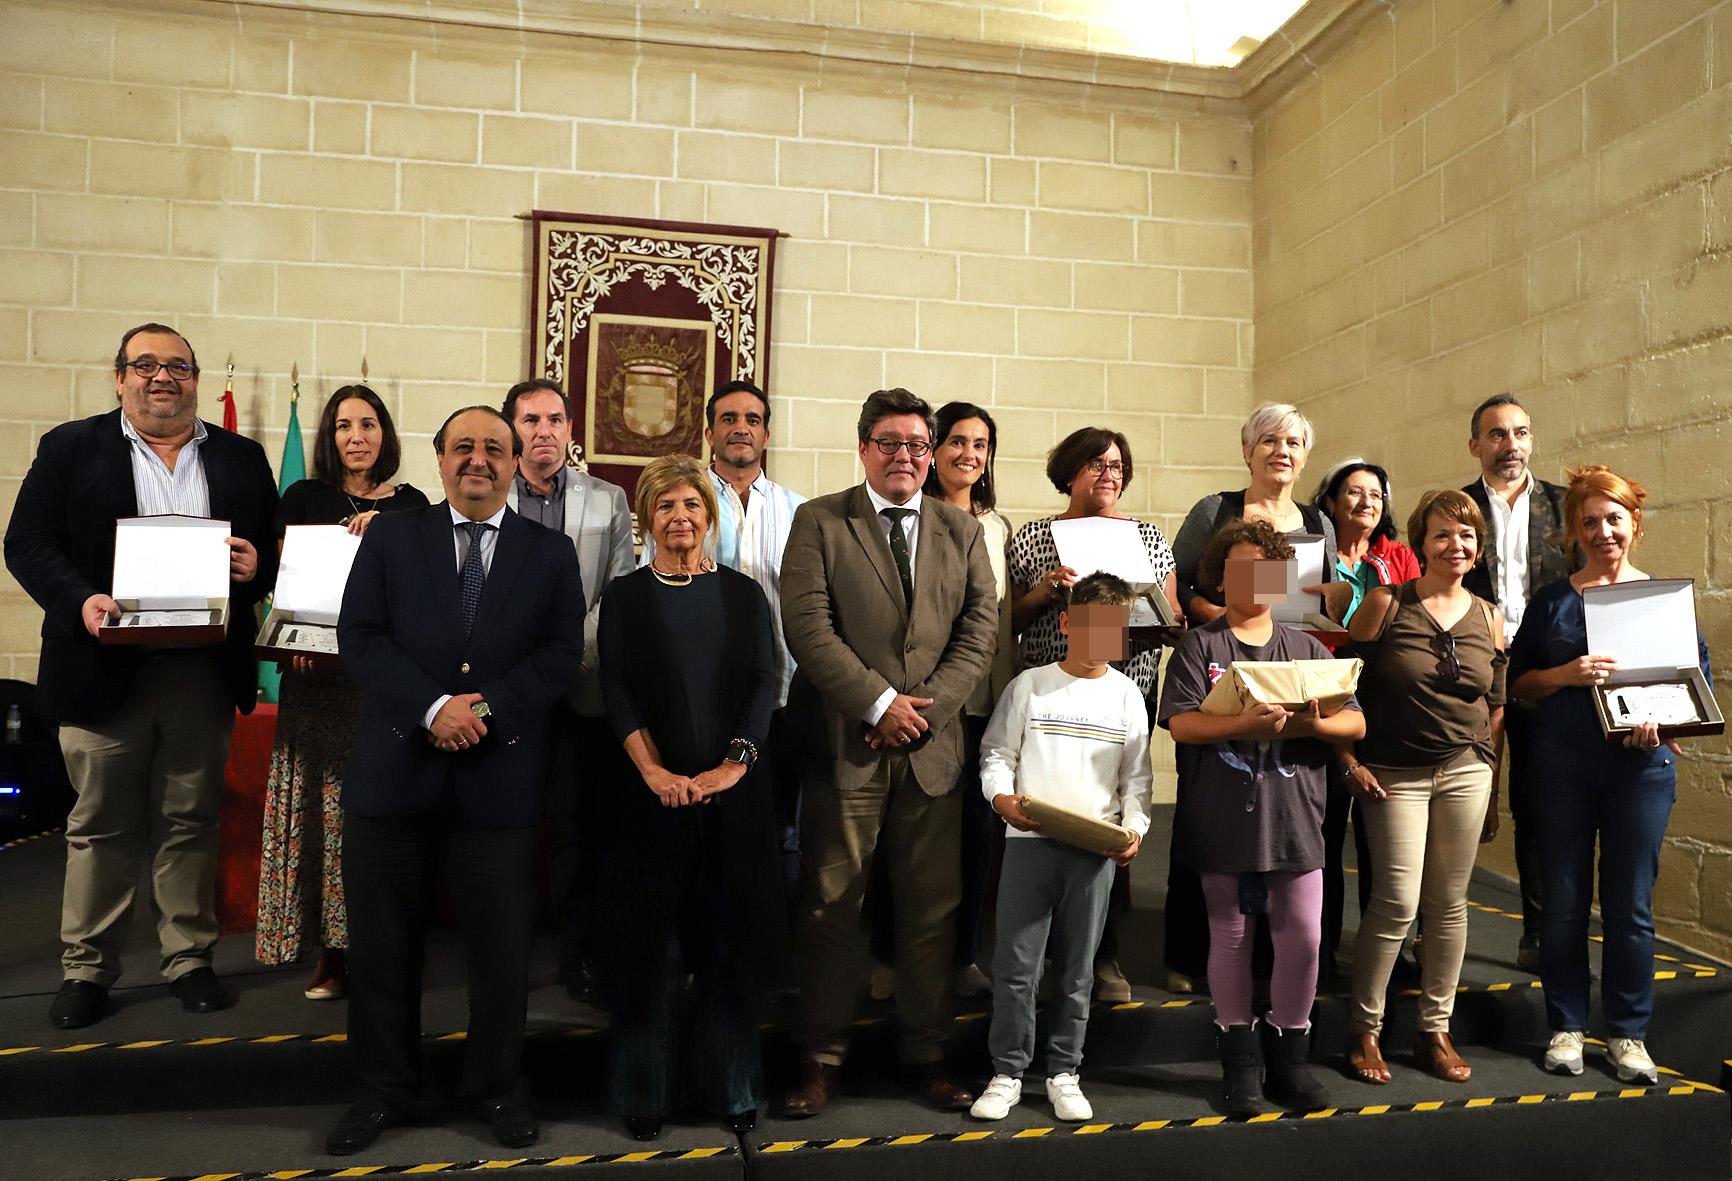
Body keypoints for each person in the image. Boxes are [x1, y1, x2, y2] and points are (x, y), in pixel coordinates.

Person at [325, 406, 584, 1156]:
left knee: (502, 952)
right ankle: (381, 1089)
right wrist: (434, 707)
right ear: (438, 459)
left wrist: (487, 708)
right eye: (463, 446)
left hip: (497, 779)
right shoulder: (392, 537)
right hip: (395, 771)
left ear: (516, 463)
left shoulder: (550, 552)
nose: (479, 458)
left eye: (494, 448)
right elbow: (360, 637)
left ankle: (497, 1084)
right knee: (381, 950)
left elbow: (561, 654)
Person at [4, 323, 278, 1030]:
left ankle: (188, 958)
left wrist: (257, 572)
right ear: (119, 375)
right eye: (146, 365)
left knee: (190, 821)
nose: (164, 377)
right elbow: (26, 543)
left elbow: (270, 556)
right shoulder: (71, 448)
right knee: (100, 825)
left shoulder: (243, 458)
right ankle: (87, 968)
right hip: (101, 668)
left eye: (178, 366)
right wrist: (80, 600)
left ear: (195, 378)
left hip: (201, 673)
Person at [776, 387, 998, 1118]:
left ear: (929, 454)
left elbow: (979, 628)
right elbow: (808, 629)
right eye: (889, 442)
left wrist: (923, 712)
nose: (904, 455)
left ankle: (928, 1054)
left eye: (916, 444)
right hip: (850, 745)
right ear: (864, 447)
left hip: (933, 748)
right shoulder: (819, 520)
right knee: (832, 906)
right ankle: (820, 1057)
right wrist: (879, 703)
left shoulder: (960, 529)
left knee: (932, 910)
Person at [595, 454, 785, 1140]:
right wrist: (652, 771)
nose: (681, 517)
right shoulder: (625, 595)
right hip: (650, 801)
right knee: (657, 953)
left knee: (726, 948)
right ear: (647, 517)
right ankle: (643, 1092)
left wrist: (735, 764)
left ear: (710, 515)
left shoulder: (744, 593)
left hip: (733, 804)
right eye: (667, 505)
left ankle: (731, 1087)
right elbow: (615, 689)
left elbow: (766, 681)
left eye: (693, 505)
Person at [1509, 466, 1709, 1086]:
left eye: (1613, 519)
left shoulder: (1664, 601)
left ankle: (1628, 1034)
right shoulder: (1553, 601)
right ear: (1575, 529)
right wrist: (1565, 675)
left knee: (1630, 908)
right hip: (1563, 770)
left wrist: (1665, 726)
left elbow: (1692, 682)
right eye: (1590, 521)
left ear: (1634, 524)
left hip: (1641, 772)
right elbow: (1519, 685)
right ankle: (1567, 1026)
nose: (1603, 532)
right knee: (1564, 906)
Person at [1159, 520, 1364, 1116]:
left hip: (1295, 815)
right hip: (1222, 815)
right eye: (1241, 568)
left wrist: (1314, 725)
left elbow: (1355, 721)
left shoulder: (1306, 647)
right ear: (1221, 577)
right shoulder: (1202, 646)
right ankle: (1240, 1063)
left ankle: (1290, 1057)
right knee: (1231, 934)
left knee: (1302, 935)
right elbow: (1181, 723)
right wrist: (1243, 725)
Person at [257, 385, 428, 1002]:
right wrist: (293, 632)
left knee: (375, 818)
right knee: (322, 818)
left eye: (369, 424)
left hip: (383, 687)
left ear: (386, 433)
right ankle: (328, 954)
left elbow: (426, 590)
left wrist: (389, 533)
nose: (357, 436)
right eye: (344, 426)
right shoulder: (304, 498)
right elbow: (284, 581)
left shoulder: (413, 507)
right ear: (328, 437)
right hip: (318, 682)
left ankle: (380, 949)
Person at [1165, 403, 1336, 993]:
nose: (1280, 451)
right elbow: (1179, 580)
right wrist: (1222, 616)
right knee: (1212, 813)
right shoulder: (1216, 510)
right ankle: (1190, 957)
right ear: (1247, 451)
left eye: (1292, 442)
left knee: (1292, 820)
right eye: (1268, 441)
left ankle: (1279, 969)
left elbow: (1319, 596)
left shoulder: (1316, 519)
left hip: (1293, 667)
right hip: (1222, 662)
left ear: (1304, 456)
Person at [969, 573, 1152, 1124]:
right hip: (1030, 843)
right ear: (1069, 623)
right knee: (1016, 965)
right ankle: (1006, 1071)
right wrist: (1002, 801)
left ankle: (1064, 1071)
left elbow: (1136, 782)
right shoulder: (1030, 685)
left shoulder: (1126, 695)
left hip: (1094, 851)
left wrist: (1135, 829)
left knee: (1077, 970)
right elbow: (996, 755)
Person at [1338, 489, 1506, 1086]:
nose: (1454, 545)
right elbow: (1340, 683)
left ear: (1478, 546)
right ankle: (1365, 1029)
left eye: (1465, 535)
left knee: (1449, 904)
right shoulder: (1386, 602)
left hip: (1467, 770)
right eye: (1441, 534)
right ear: (1420, 542)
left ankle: (1435, 1028)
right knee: (1397, 902)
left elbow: (1496, 704)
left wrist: (1491, 776)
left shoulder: (1489, 615)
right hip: (1395, 771)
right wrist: (1348, 759)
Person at [1006, 426, 1179, 1002]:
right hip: (1054, 696)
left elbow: (1173, 614)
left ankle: (1102, 958)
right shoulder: (1036, 536)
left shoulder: (1149, 537)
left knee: (1111, 822)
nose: (1109, 474)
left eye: (1117, 465)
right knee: (1051, 817)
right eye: (1096, 464)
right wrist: (1047, 591)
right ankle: (1036, 954)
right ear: (1069, 472)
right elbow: (1008, 618)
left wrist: (1155, 615)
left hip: (1125, 687)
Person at [645, 380, 808, 917]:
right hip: (696, 700)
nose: (742, 427)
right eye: (730, 418)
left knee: (777, 830)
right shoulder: (679, 504)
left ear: (766, 432)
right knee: (695, 833)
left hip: (777, 694)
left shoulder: (797, 512)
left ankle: (767, 961)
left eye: (754, 419)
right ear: (709, 431)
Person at [871, 401, 1013, 1001]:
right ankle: (884, 954)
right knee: (896, 840)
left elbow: (992, 622)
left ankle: (960, 956)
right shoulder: (907, 519)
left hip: (980, 704)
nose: (968, 455)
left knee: (973, 841)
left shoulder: (999, 528)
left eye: (980, 445)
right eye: (956, 441)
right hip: (911, 706)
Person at [502, 378, 635, 1001]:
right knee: (505, 825)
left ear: (571, 429)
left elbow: (618, 591)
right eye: (530, 420)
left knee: (579, 828)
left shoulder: (608, 500)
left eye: (555, 419)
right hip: (501, 694)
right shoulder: (484, 493)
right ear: (512, 430)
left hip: (580, 688)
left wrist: (562, 659)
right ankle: (503, 954)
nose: (544, 431)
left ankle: (577, 953)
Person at [1461, 393, 1575, 974]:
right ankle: (1432, 931)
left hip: (1540, 671)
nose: (1512, 445)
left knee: (1538, 806)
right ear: (1476, 444)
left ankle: (1536, 933)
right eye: (1498, 434)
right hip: (1470, 668)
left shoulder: (1564, 506)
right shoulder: (1457, 508)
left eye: (1521, 433)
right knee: (1456, 799)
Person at [1310, 459, 1420, 981]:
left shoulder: (1400, 557)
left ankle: (1391, 954)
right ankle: (1322, 952)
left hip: (1385, 705)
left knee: (1386, 838)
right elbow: (1279, 612)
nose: (1366, 503)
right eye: (1353, 493)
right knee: (1325, 836)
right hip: (1320, 695)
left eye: (1376, 494)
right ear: (1329, 501)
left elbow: (1416, 621)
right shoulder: (1307, 555)